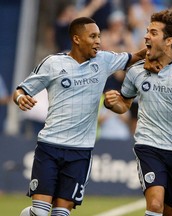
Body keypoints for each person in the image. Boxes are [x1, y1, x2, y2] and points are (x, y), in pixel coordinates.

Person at [13, 17, 147, 216]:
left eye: (99, 36)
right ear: (77, 38)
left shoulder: (104, 60)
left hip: (80, 151)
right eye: (92, 36)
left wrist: (163, 47)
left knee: (61, 213)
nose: (98, 41)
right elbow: (21, 89)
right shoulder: (53, 63)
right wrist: (20, 99)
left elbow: (136, 57)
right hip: (50, 146)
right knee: (40, 213)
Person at [104, 10, 172, 216]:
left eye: (153, 32)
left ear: (169, 41)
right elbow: (125, 103)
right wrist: (111, 103)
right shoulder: (136, 71)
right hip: (149, 146)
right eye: (147, 31)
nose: (146, 36)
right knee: (155, 205)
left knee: (171, 212)